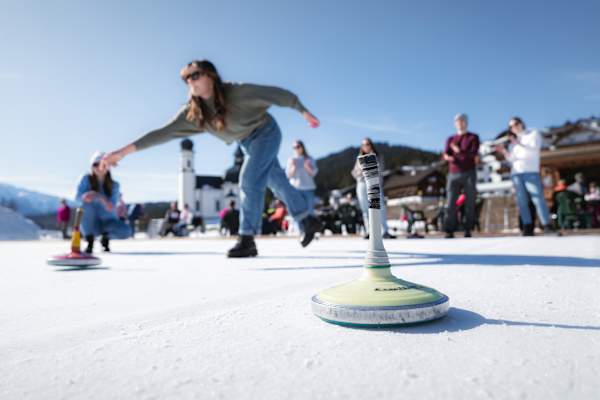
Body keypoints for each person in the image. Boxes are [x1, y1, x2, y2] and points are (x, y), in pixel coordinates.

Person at [103, 60, 322, 257]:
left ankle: (247, 239)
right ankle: (307, 219)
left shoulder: (237, 93)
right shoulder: (194, 113)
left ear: (211, 76)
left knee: (249, 180)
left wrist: (303, 111)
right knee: (276, 182)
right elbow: (162, 133)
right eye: (186, 78)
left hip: (266, 133)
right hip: (246, 142)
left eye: (195, 75)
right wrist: (122, 152)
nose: (190, 81)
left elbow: (277, 94)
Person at [496, 117, 556, 236]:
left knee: (538, 199)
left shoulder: (532, 134)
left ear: (522, 123)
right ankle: (527, 227)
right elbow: (512, 159)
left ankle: (547, 225)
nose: (514, 127)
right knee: (522, 201)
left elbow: (534, 149)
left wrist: (519, 143)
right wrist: (504, 152)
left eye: (516, 124)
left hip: (531, 171)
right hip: (516, 174)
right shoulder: (514, 142)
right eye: (511, 126)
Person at [75, 151, 132, 253]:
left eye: (102, 164)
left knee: (126, 231)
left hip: (108, 222)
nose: (99, 167)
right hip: (91, 224)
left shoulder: (114, 185)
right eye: (95, 164)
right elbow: (78, 198)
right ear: (91, 167)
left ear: (108, 166)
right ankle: (89, 240)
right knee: (85, 204)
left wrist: (98, 196)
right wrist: (92, 196)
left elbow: (111, 206)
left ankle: (105, 237)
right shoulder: (85, 179)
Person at [442, 113, 480, 238]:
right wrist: (449, 156)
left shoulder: (473, 137)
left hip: (469, 172)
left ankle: (468, 228)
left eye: (462, 120)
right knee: (451, 201)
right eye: (457, 121)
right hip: (453, 172)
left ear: (466, 122)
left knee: (470, 201)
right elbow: (446, 154)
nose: (460, 123)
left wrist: (459, 151)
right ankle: (449, 229)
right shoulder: (450, 139)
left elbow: (473, 154)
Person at [351, 138, 395, 239]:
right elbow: (354, 172)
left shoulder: (378, 157)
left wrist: (371, 160)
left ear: (371, 145)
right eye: (363, 145)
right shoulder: (359, 158)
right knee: (365, 209)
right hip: (362, 184)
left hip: (374, 184)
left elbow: (381, 170)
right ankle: (369, 231)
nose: (365, 146)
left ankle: (384, 231)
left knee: (378, 207)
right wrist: (361, 172)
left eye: (367, 144)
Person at [286, 140, 318, 217]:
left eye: (298, 146)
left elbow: (313, 173)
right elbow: (288, 176)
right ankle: (300, 228)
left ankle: (311, 228)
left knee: (310, 212)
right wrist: (293, 166)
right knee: (298, 212)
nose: (296, 149)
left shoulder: (309, 158)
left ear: (302, 147)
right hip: (295, 188)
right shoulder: (291, 160)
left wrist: (307, 166)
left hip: (308, 188)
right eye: (294, 147)